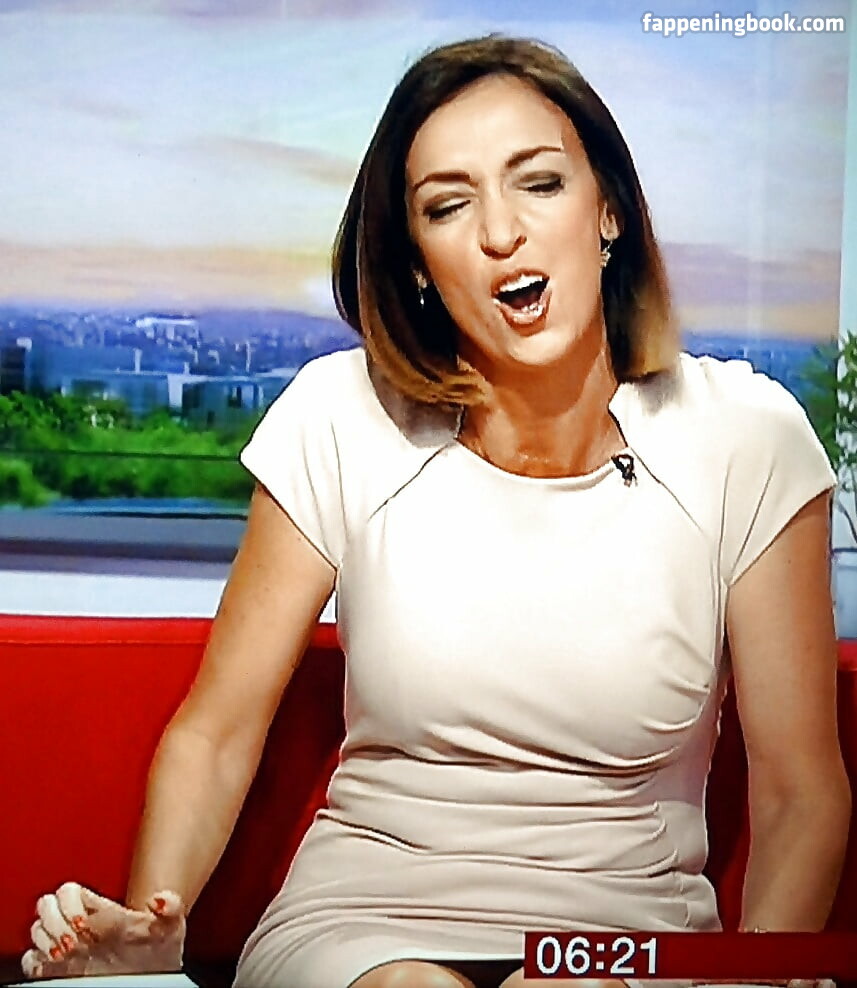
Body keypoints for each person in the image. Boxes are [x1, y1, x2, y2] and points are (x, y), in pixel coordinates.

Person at [22, 33, 851, 988]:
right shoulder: (339, 415)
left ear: (608, 211)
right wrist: (148, 936)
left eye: (539, 183)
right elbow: (217, 732)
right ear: (416, 262)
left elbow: (798, 791)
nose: (501, 232)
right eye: (448, 206)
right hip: (359, 923)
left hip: (623, 937)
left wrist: (759, 972)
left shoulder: (744, 437)